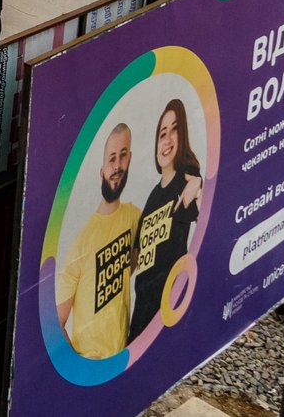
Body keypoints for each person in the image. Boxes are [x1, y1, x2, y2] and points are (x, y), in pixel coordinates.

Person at [58, 124, 141, 361]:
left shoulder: (134, 216)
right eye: (111, 159)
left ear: (130, 159)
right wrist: (80, 366)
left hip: (123, 355)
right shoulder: (82, 241)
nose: (117, 166)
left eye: (123, 156)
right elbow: (57, 322)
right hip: (90, 362)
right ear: (102, 171)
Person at [128, 101, 203, 343]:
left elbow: (207, 225)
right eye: (162, 133)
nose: (167, 139)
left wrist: (197, 188)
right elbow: (136, 258)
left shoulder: (188, 180)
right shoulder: (153, 195)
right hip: (141, 313)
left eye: (175, 129)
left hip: (168, 310)